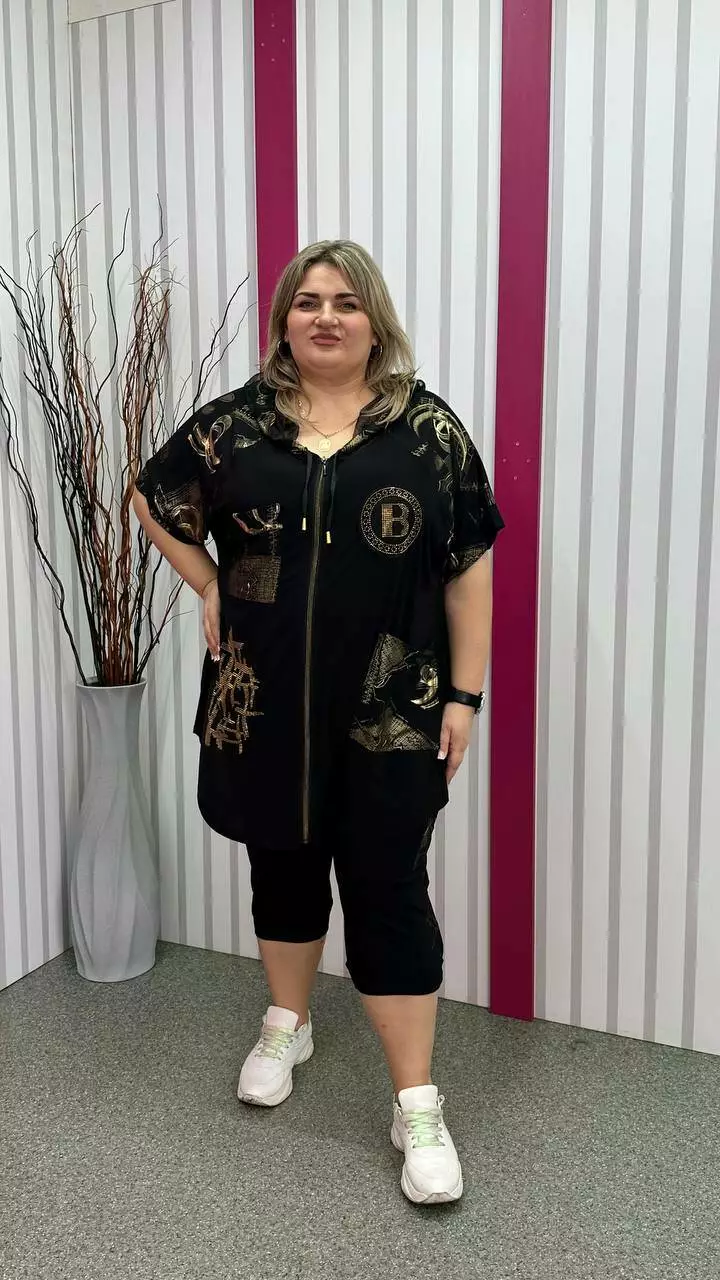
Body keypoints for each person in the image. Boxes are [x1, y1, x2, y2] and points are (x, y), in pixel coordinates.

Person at [132, 239, 504, 1206]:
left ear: (374, 320)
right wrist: (207, 580)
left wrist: (464, 697)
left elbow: (468, 567)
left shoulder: (427, 434)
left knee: (389, 887)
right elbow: (152, 496)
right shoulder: (236, 427)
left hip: (392, 709)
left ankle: (415, 1102)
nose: (326, 317)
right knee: (284, 868)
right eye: (308, 302)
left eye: (345, 301)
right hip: (264, 705)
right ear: (284, 321)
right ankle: (287, 1023)